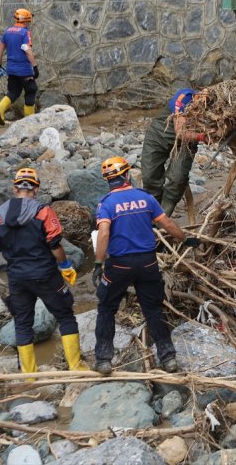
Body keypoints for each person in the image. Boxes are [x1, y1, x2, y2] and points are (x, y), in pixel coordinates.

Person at [92, 156, 200, 375]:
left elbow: (103, 233)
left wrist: (97, 262)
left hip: (119, 265)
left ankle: (104, 359)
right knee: (152, 309)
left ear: (108, 180)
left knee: (106, 309)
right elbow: (167, 223)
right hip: (148, 262)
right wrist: (185, 239)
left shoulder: (106, 204)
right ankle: (168, 357)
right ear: (127, 175)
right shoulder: (145, 198)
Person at [0, 168, 86, 376]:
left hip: (16, 277)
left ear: (15, 189)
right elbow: (55, 244)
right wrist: (65, 265)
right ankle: (76, 367)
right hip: (45, 274)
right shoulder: (43, 212)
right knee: (65, 315)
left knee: (23, 323)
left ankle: (29, 375)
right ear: (36, 188)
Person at [141, 88, 208, 217]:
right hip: (158, 135)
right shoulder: (185, 97)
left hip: (185, 144)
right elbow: (181, 132)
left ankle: (163, 220)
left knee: (177, 179)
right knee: (150, 177)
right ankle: (150, 217)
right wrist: (202, 137)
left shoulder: (214, 111)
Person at [0, 8, 40, 125]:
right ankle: (29, 122)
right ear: (26, 21)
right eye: (29, 21)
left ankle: (0, 109)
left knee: (14, 91)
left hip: (11, 70)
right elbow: (27, 50)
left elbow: (0, 49)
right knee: (31, 90)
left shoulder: (7, 32)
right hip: (24, 70)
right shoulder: (25, 33)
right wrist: (35, 66)